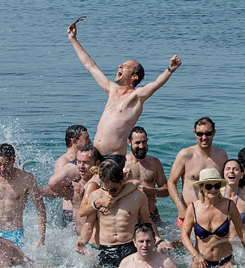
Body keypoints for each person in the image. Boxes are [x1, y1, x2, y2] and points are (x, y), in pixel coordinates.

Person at [67, 18, 181, 166]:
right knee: (58, 180)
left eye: (125, 66)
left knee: (93, 188)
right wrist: (73, 39)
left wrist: (170, 69)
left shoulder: (136, 97)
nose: (120, 65)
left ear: (134, 76)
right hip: (94, 154)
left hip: (113, 158)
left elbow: (155, 85)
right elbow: (90, 66)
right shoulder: (111, 89)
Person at [75, 160, 166, 268]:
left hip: (129, 247)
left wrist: (158, 240)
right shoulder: (96, 196)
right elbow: (88, 224)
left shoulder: (138, 196)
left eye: (113, 189)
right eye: (106, 188)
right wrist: (83, 242)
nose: (109, 193)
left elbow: (147, 221)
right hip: (106, 248)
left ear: (122, 180)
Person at [181, 168, 245, 268]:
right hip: (201, 262)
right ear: (201, 187)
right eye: (209, 186)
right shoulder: (193, 208)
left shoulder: (229, 205)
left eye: (216, 186)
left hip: (226, 262)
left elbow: (242, 232)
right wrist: (195, 255)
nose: (213, 189)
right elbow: (184, 235)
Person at [0, 143, 46, 248]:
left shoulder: (26, 179)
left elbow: (40, 209)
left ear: (13, 161)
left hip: (15, 232)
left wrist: (41, 238)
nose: (2, 168)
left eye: (6, 164)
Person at [168, 117, 227, 228]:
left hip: (214, 213)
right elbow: (171, 182)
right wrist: (181, 209)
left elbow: (226, 184)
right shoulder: (185, 155)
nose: (204, 138)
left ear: (214, 133)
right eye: (200, 134)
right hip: (188, 214)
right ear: (195, 133)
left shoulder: (221, 155)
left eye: (208, 133)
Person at [48, 144, 101, 234]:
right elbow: (54, 187)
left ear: (97, 163)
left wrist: (83, 195)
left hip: (92, 240)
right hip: (76, 239)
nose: (81, 166)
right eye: (79, 162)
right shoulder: (74, 185)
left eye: (86, 162)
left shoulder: (100, 185)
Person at [124, 126, 168, 224]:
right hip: (129, 215)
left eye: (144, 142)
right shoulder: (123, 163)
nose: (142, 146)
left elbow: (166, 192)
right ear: (129, 143)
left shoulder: (155, 163)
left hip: (152, 213)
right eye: (137, 143)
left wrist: (150, 191)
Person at [51, 125, 90, 228]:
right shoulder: (63, 161)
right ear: (74, 141)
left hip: (83, 209)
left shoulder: (85, 160)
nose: (90, 141)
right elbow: (57, 189)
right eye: (86, 139)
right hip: (70, 212)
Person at [221, 159, 245, 243]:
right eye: (228, 169)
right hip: (220, 247)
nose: (231, 171)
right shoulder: (216, 195)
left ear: (241, 175)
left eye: (235, 169)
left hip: (240, 249)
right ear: (223, 174)